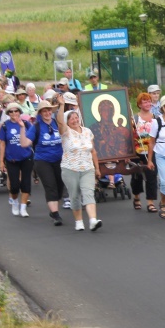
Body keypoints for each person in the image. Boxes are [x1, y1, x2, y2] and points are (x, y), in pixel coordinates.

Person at [56, 95, 103, 231]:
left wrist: (97, 168)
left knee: (88, 193)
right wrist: (61, 105)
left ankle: (93, 220)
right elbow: (60, 122)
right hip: (70, 169)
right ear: (67, 121)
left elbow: (93, 151)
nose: (75, 120)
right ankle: (79, 221)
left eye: (76, 117)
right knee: (75, 196)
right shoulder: (66, 133)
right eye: (71, 119)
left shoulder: (87, 132)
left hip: (87, 168)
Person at [27, 100, 65, 226]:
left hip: (59, 159)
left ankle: (54, 208)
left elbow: (63, 124)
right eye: (44, 111)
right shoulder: (36, 127)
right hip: (42, 160)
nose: (47, 113)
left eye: (49, 110)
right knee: (50, 186)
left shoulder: (56, 123)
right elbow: (26, 142)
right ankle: (55, 214)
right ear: (41, 113)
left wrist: (62, 105)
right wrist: (22, 130)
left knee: (60, 186)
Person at [0, 102, 34, 217]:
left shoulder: (27, 124)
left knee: (26, 183)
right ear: (8, 113)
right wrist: (1, 161)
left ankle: (23, 208)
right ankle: (15, 202)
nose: (14, 113)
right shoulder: (5, 125)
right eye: (11, 111)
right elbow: (2, 144)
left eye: (16, 111)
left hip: (26, 157)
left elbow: (33, 138)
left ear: (19, 112)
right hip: (11, 158)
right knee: (14, 185)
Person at [130, 92, 159, 212]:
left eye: (149, 101)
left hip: (152, 150)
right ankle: (136, 197)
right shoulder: (134, 119)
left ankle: (150, 202)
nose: (148, 104)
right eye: (145, 101)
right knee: (137, 176)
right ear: (139, 104)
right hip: (137, 151)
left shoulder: (156, 118)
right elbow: (129, 136)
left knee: (151, 175)